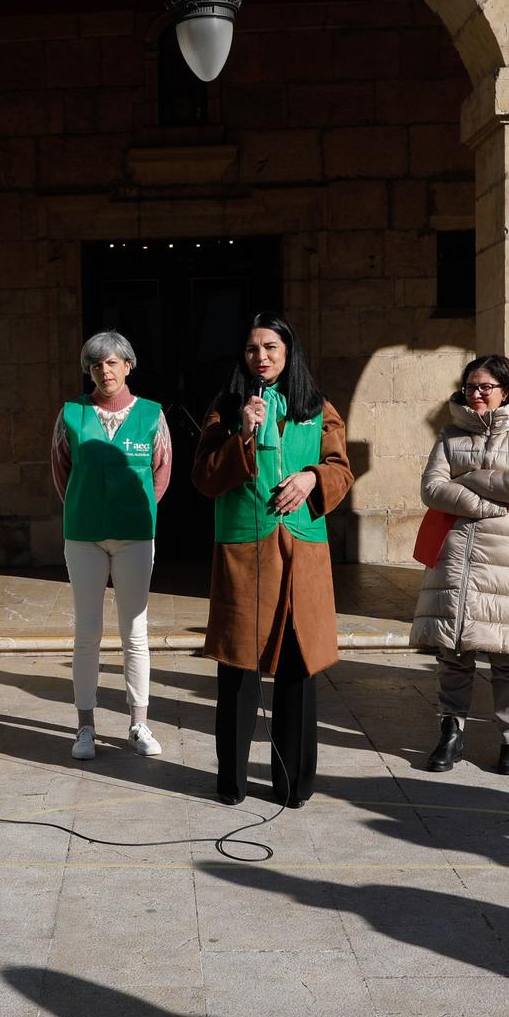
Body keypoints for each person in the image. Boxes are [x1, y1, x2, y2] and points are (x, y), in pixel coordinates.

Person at [192, 313, 355, 807]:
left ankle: (294, 785)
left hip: (301, 549)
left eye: (270, 347)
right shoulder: (224, 408)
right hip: (246, 550)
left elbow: (340, 469)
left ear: (288, 352)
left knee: (296, 668)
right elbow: (204, 478)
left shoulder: (318, 408)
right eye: (251, 349)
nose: (260, 356)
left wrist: (311, 478)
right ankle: (232, 783)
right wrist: (243, 432)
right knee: (239, 666)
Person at [411, 355, 509, 776]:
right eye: (471, 386)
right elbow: (431, 488)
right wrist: (486, 503)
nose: (477, 394)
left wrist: (465, 478)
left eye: (486, 386)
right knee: (453, 653)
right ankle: (450, 733)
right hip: (456, 556)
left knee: (508, 656)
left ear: (506, 390)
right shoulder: (450, 436)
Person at [51, 330, 172, 761]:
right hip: (83, 535)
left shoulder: (153, 415)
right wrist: (88, 508)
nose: (105, 370)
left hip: (135, 536)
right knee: (87, 633)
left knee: (135, 633)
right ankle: (85, 726)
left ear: (128, 365)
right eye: (97, 364)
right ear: (89, 369)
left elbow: (161, 471)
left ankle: (139, 722)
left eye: (113, 362)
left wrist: (132, 513)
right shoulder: (71, 414)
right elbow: (61, 470)